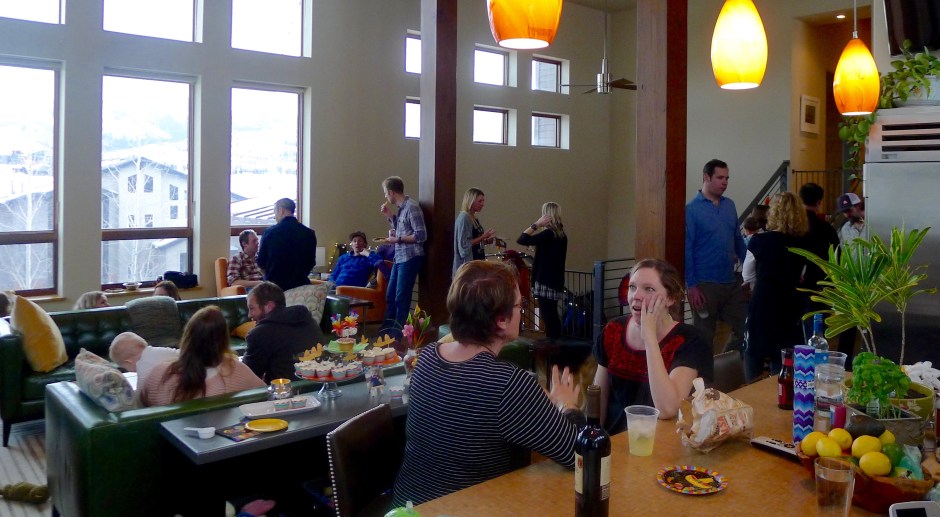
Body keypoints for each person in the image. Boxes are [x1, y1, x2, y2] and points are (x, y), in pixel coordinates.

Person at [392, 260, 583, 506]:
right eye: (519, 304)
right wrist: (568, 406)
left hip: (406, 508)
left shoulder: (428, 356)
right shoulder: (508, 385)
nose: (521, 311)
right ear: (501, 319)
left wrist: (536, 407)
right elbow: (579, 454)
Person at [592, 259, 713, 434]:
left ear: (670, 298)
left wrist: (649, 337)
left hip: (663, 441)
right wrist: (594, 437)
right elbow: (599, 395)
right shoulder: (614, 330)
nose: (636, 295)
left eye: (649, 289)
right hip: (615, 440)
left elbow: (667, 409)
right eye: (632, 287)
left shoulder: (690, 340)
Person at [741, 192, 810, 381]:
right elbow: (802, 275)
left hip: (763, 304)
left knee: (753, 353)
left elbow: (747, 275)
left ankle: (752, 391)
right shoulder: (803, 244)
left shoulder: (759, 241)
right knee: (783, 361)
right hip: (789, 305)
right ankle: (779, 391)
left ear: (773, 213)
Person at [138, 306, 264, 406]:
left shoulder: (159, 373)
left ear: (187, 337)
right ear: (223, 342)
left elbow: (142, 406)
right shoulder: (235, 371)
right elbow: (265, 394)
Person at [685, 159, 748, 354]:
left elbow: (738, 239)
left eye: (727, 178)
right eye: (720, 178)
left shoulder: (729, 205)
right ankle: (706, 373)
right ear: (706, 177)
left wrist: (749, 270)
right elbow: (687, 248)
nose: (725, 182)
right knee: (704, 338)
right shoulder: (692, 209)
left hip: (731, 281)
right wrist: (692, 286)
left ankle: (728, 366)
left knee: (746, 327)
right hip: (705, 284)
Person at [241, 281, 325, 382]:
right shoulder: (307, 319)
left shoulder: (259, 334)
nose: (249, 315)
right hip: (320, 386)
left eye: (252, 308)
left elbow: (247, 377)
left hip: (287, 390)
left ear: (269, 306)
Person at [379, 176, 427, 329]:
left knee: (401, 297)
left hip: (411, 257)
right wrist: (390, 216)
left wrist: (397, 239)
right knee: (390, 294)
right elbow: (403, 229)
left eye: (385, 193)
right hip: (399, 257)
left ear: (391, 192)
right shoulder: (401, 209)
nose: (385, 196)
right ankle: (386, 328)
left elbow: (421, 235)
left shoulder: (412, 207)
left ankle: (398, 331)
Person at [517, 202, 568, 340]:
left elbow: (522, 239)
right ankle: (556, 343)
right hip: (555, 280)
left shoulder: (548, 234)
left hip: (545, 280)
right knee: (552, 315)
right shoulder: (561, 235)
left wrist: (536, 224)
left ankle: (553, 345)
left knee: (548, 317)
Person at [798, 182, 840, 339]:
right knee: (818, 334)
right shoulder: (827, 229)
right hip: (821, 288)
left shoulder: (793, 227)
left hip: (795, 287)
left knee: (796, 335)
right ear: (819, 202)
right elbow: (836, 258)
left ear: (800, 200)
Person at [257, 198, 317, 292]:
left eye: (275, 212)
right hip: (300, 287)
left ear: (281, 210)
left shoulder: (270, 233)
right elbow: (311, 262)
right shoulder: (309, 233)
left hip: (274, 289)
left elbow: (261, 262)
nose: (275, 217)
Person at [453, 187, 496, 277]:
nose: (483, 204)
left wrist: (486, 241)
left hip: (477, 261)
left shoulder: (473, 218)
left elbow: (474, 241)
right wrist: (483, 237)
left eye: (483, 201)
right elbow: (464, 245)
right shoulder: (464, 218)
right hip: (468, 264)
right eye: (480, 201)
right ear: (471, 201)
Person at [108, 331, 178, 386]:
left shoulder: (142, 366)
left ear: (129, 361)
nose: (128, 370)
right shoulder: (160, 350)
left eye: (126, 368)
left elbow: (141, 393)